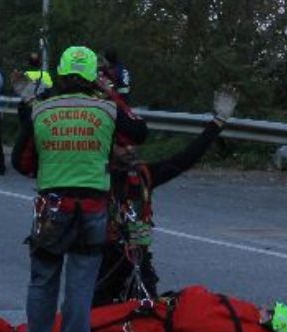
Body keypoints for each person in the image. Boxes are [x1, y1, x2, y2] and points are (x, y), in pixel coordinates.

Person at [11, 45, 148, 332]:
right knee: (81, 283)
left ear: (59, 74)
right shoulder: (106, 111)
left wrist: (48, 167)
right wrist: (110, 93)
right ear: (93, 78)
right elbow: (138, 131)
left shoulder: (41, 111)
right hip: (92, 206)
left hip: (52, 204)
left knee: (43, 280)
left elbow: (21, 161)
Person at [94, 87, 238, 305]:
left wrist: (218, 121)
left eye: (132, 144)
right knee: (94, 317)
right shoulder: (94, 177)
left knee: (150, 315)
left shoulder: (144, 175)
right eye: (122, 146)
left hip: (137, 260)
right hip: (102, 261)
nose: (130, 149)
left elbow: (186, 158)